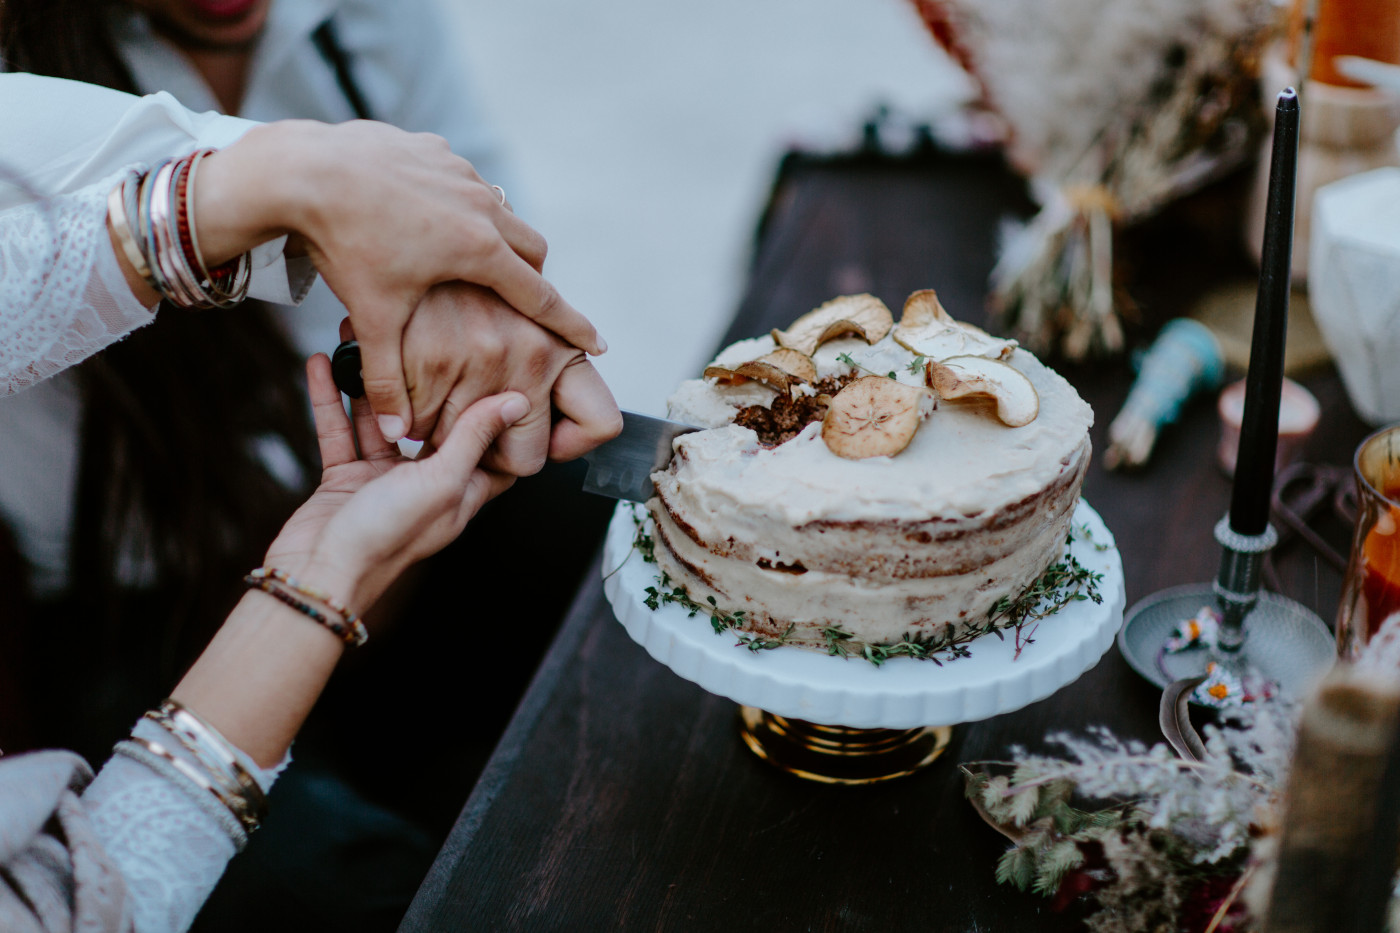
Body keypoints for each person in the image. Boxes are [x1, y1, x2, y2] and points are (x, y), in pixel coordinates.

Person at [0, 67, 621, 931]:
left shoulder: (353, 30)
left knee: (607, 541)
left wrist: (296, 182)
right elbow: (97, 904)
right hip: (120, 615)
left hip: (317, 524)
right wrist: (301, 184)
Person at [0, 349, 535, 933]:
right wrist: (329, 573)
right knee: (329, 882)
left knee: (538, 504)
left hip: (278, 523)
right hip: (90, 616)